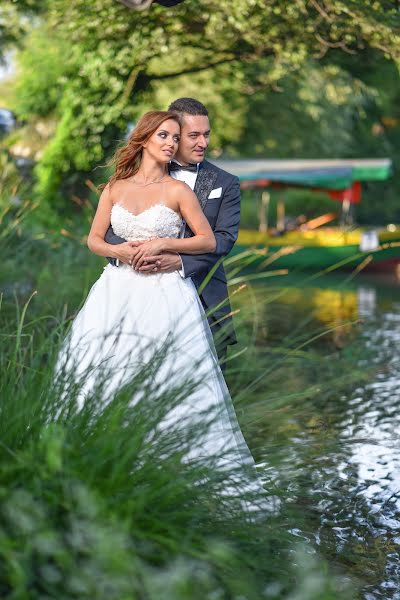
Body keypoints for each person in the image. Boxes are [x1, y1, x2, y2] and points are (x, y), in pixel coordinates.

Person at [58, 110, 261, 488]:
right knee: (108, 369)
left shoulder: (181, 189)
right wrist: (122, 253)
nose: (173, 143)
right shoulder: (115, 187)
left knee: (172, 374)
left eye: (175, 137)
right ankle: (105, 464)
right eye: (165, 136)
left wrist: (165, 244)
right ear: (145, 138)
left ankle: (174, 473)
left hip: (168, 292)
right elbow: (95, 239)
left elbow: (213, 240)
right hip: (116, 291)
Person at [105, 98, 241, 368]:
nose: (203, 143)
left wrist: (179, 262)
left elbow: (224, 239)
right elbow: (109, 230)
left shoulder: (226, 183)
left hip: (204, 299)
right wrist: (133, 256)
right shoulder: (132, 179)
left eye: (206, 135)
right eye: (193, 136)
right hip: (133, 295)